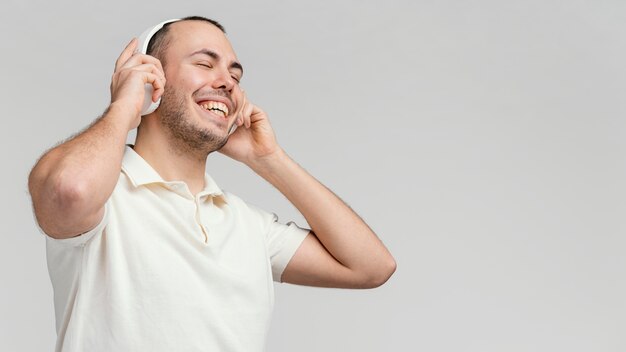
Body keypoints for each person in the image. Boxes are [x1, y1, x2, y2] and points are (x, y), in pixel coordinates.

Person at [28, 16, 396, 352]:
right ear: (151, 76)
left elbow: (370, 267)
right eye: (205, 64)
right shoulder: (104, 198)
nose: (227, 82)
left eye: (235, 76)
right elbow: (68, 191)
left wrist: (267, 159)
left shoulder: (247, 225)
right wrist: (125, 105)